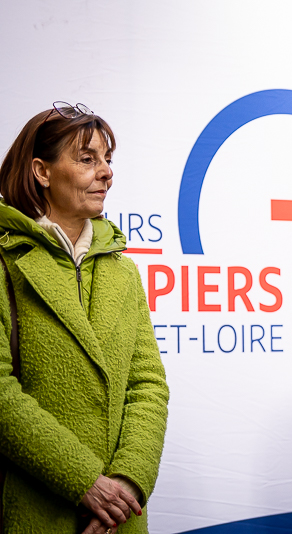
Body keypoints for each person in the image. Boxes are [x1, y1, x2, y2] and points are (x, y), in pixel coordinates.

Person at [0, 102, 169, 534]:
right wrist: (84, 481)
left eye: (107, 159)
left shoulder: (124, 272)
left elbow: (148, 385)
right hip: (33, 510)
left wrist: (127, 483)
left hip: (117, 517)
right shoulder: (4, 262)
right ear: (42, 172)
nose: (106, 172)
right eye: (87, 159)